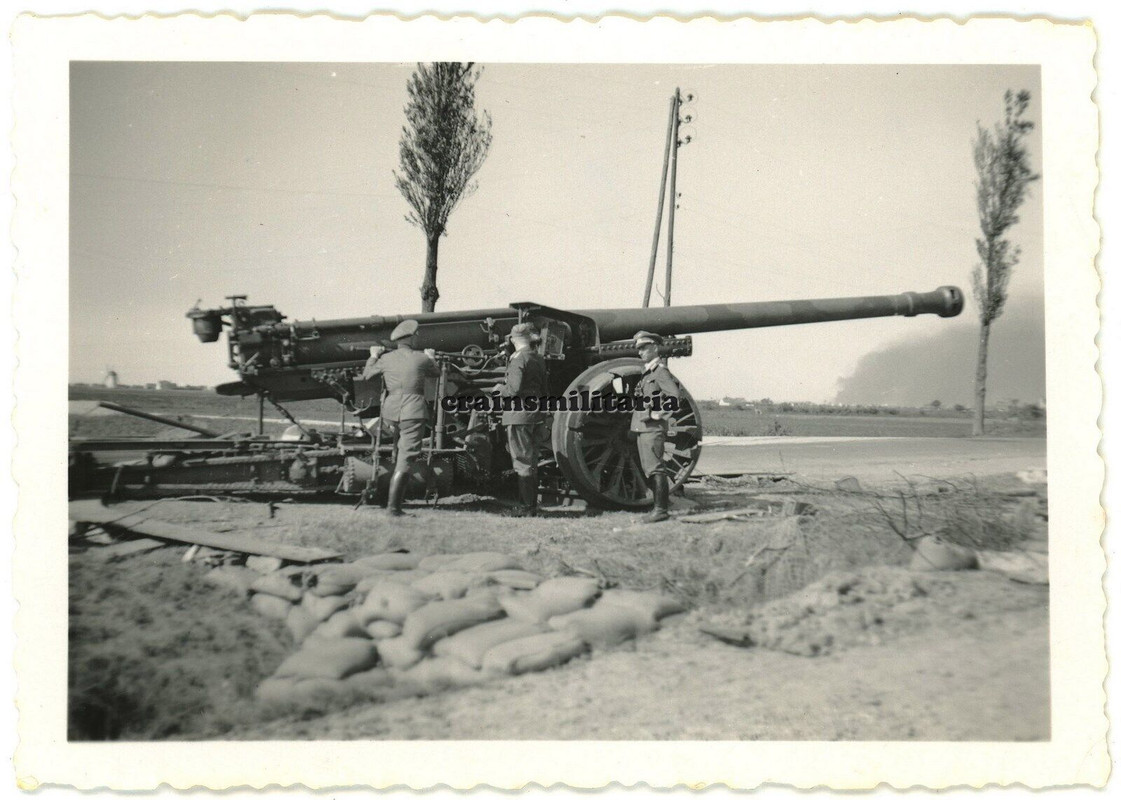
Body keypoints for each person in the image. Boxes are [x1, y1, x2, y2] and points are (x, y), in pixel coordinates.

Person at [361, 318, 439, 516]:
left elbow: (367, 375)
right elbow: (436, 373)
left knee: (397, 453)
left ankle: (391, 500)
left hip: (390, 412)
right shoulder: (421, 358)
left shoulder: (385, 359)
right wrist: (431, 357)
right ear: (411, 339)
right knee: (405, 458)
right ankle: (394, 508)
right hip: (413, 412)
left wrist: (373, 356)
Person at [630, 330, 681, 523]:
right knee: (649, 469)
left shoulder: (660, 372)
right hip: (643, 428)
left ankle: (661, 510)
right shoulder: (648, 373)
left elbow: (674, 397)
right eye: (639, 349)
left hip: (652, 428)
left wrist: (657, 414)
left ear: (654, 347)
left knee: (656, 469)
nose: (640, 352)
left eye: (644, 348)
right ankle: (657, 508)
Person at [497, 322, 548, 516]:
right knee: (531, 461)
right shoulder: (539, 358)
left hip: (518, 416)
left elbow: (514, 389)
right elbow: (544, 390)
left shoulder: (518, 359)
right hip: (534, 415)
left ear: (512, 340)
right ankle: (530, 506)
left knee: (521, 462)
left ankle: (526, 508)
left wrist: (499, 390)